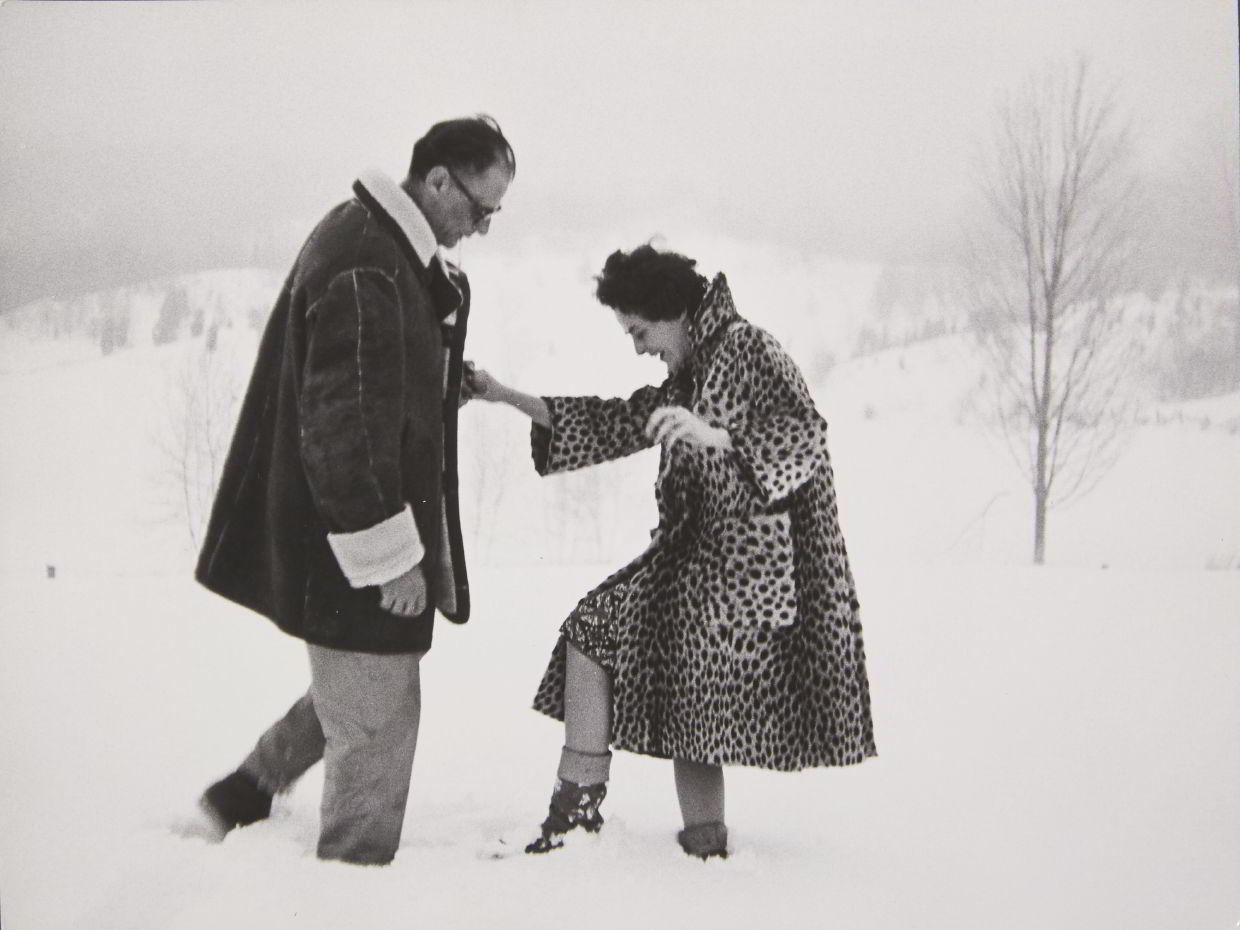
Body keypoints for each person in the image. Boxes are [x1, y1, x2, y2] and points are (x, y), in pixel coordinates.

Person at [472, 244, 876, 859]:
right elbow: (612, 422)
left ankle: (691, 847)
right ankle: (612, 819)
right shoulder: (690, 374)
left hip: (756, 571)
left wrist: (717, 437)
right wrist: (503, 394)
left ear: (675, 312)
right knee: (606, 638)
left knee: (692, 690)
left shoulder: (751, 349)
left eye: (640, 331)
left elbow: (805, 437)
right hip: (697, 563)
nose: (638, 347)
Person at [190, 115, 515, 865]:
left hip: (335, 533)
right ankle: (350, 885)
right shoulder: (369, 265)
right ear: (437, 181)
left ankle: (244, 791)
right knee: (377, 712)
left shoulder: (373, 241)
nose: (484, 227)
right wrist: (390, 557)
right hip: (350, 539)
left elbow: (363, 389)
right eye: (480, 208)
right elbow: (341, 433)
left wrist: (432, 388)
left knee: (359, 687)